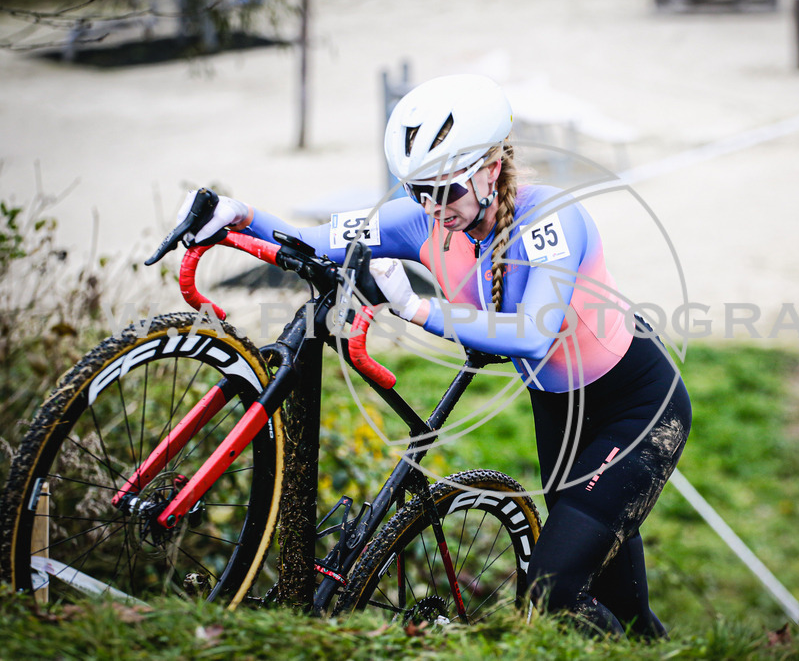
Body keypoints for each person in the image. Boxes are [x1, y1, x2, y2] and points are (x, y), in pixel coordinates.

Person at [178, 74, 691, 637]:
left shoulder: (550, 220)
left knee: (551, 594)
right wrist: (238, 216)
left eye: (444, 190)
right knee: (621, 602)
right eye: (417, 189)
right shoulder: (419, 218)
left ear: (491, 168)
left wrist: (416, 308)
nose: (431, 205)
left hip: (636, 405)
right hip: (559, 409)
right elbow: (316, 239)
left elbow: (532, 335)